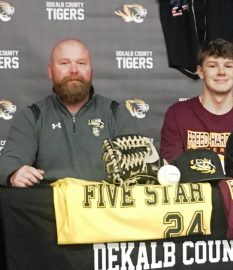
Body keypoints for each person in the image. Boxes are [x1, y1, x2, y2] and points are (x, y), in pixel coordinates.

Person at [0, 38, 139, 187]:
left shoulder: (116, 113)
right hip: (50, 204)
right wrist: (15, 173)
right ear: (50, 71)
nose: (74, 70)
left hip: (103, 205)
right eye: (64, 63)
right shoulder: (32, 115)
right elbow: (8, 162)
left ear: (91, 70)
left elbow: (136, 170)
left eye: (81, 63)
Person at [160, 38, 233, 163]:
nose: (221, 72)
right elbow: (173, 169)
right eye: (212, 66)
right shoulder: (178, 114)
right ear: (200, 72)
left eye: (228, 66)